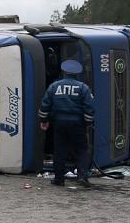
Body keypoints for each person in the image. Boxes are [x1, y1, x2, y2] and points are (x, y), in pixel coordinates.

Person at [38, 59, 94, 187]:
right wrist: (87, 123)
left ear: (63, 72)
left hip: (59, 124)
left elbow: (45, 105)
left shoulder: (54, 86)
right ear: (76, 74)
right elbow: (89, 108)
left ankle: (59, 179)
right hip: (77, 124)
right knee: (81, 150)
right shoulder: (83, 88)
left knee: (59, 151)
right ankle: (82, 177)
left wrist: (44, 121)